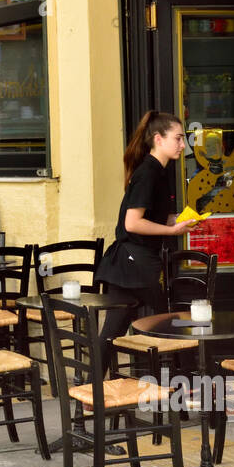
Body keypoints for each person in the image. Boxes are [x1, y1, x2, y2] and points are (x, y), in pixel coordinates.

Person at [95, 110, 201, 340]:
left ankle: (95, 375)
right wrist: (173, 230)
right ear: (158, 139)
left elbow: (155, 218)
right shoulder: (149, 173)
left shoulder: (158, 172)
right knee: (166, 325)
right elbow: (133, 223)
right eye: (178, 138)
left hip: (134, 263)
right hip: (133, 263)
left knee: (115, 333)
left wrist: (180, 220)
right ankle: (173, 372)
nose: (183, 145)